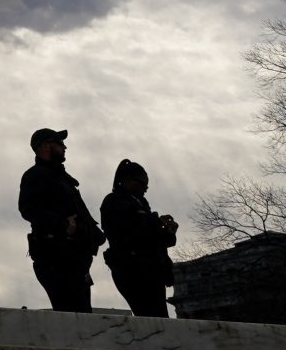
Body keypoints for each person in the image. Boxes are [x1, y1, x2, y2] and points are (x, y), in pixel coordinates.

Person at [17, 127, 101, 312]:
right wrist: (62, 225)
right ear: (46, 146)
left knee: (83, 314)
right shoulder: (35, 175)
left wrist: (94, 233)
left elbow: (80, 211)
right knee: (71, 315)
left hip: (76, 257)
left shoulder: (64, 179)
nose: (65, 147)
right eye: (60, 143)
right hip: (54, 257)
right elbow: (28, 209)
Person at [98, 158, 178, 319]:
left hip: (152, 270)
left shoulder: (141, 204)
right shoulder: (113, 202)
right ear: (127, 181)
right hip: (132, 270)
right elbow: (129, 233)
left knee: (160, 318)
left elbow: (154, 239)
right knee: (150, 318)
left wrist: (169, 232)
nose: (145, 188)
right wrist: (155, 223)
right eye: (141, 183)